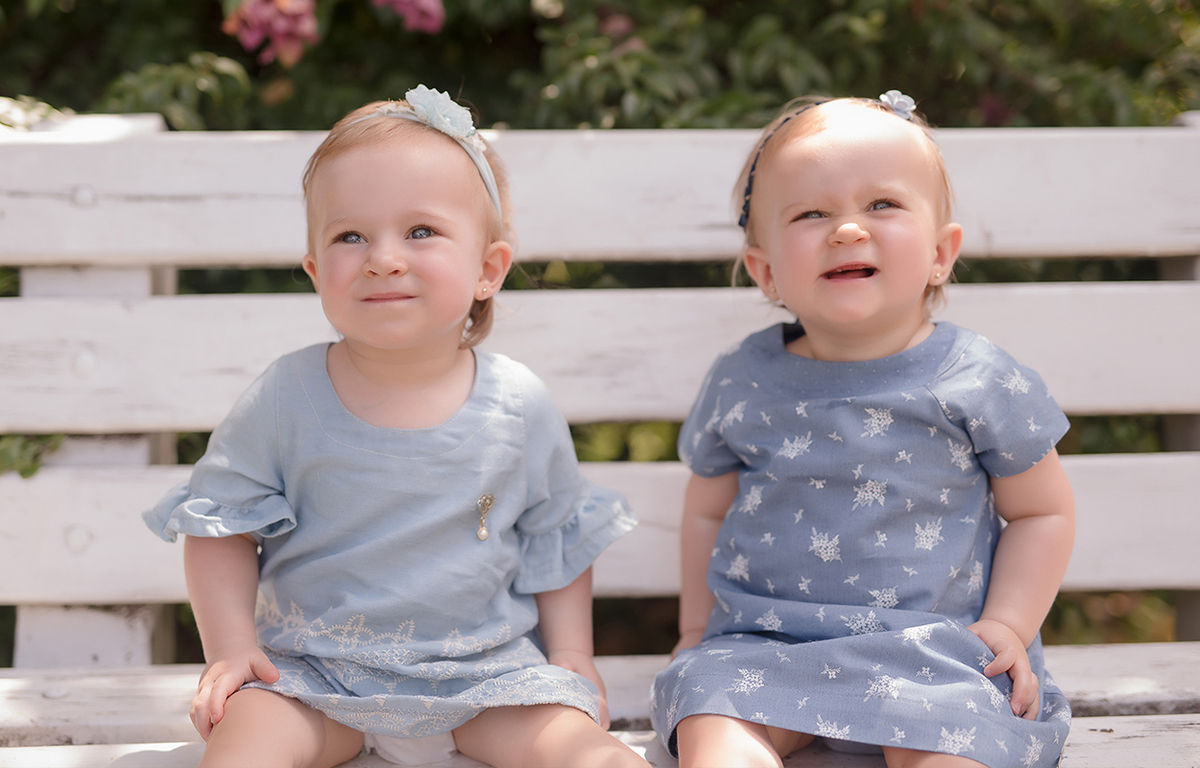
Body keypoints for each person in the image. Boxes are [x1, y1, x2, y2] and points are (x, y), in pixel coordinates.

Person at [144, 85, 647, 768]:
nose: (383, 257)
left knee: (598, 758)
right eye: (351, 236)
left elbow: (553, 540)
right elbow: (220, 526)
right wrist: (233, 650)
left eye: (421, 232)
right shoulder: (287, 396)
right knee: (244, 748)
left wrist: (571, 657)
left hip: (487, 682)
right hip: (314, 680)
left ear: (487, 269)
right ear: (318, 271)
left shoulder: (517, 404)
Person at [650, 92, 1075, 768]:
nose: (847, 230)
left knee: (956, 742)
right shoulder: (744, 378)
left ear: (941, 252)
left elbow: (1043, 511)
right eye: (812, 213)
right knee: (712, 714)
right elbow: (707, 508)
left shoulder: (977, 378)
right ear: (765, 272)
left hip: (930, 649)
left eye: (882, 205)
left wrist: (1008, 626)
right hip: (765, 646)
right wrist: (695, 631)